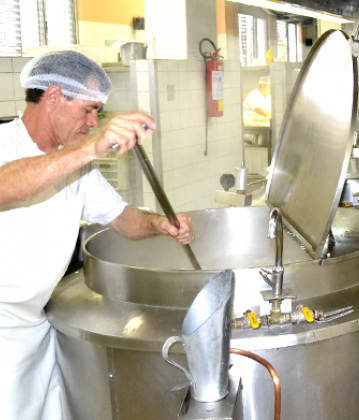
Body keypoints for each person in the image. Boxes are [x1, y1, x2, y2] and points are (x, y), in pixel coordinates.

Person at [0, 50, 194, 420]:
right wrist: (89, 148)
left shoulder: (77, 166)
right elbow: (9, 186)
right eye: (89, 109)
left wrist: (160, 225)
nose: (93, 123)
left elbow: (120, 218)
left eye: (98, 114)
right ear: (54, 97)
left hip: (35, 326)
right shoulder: (6, 143)